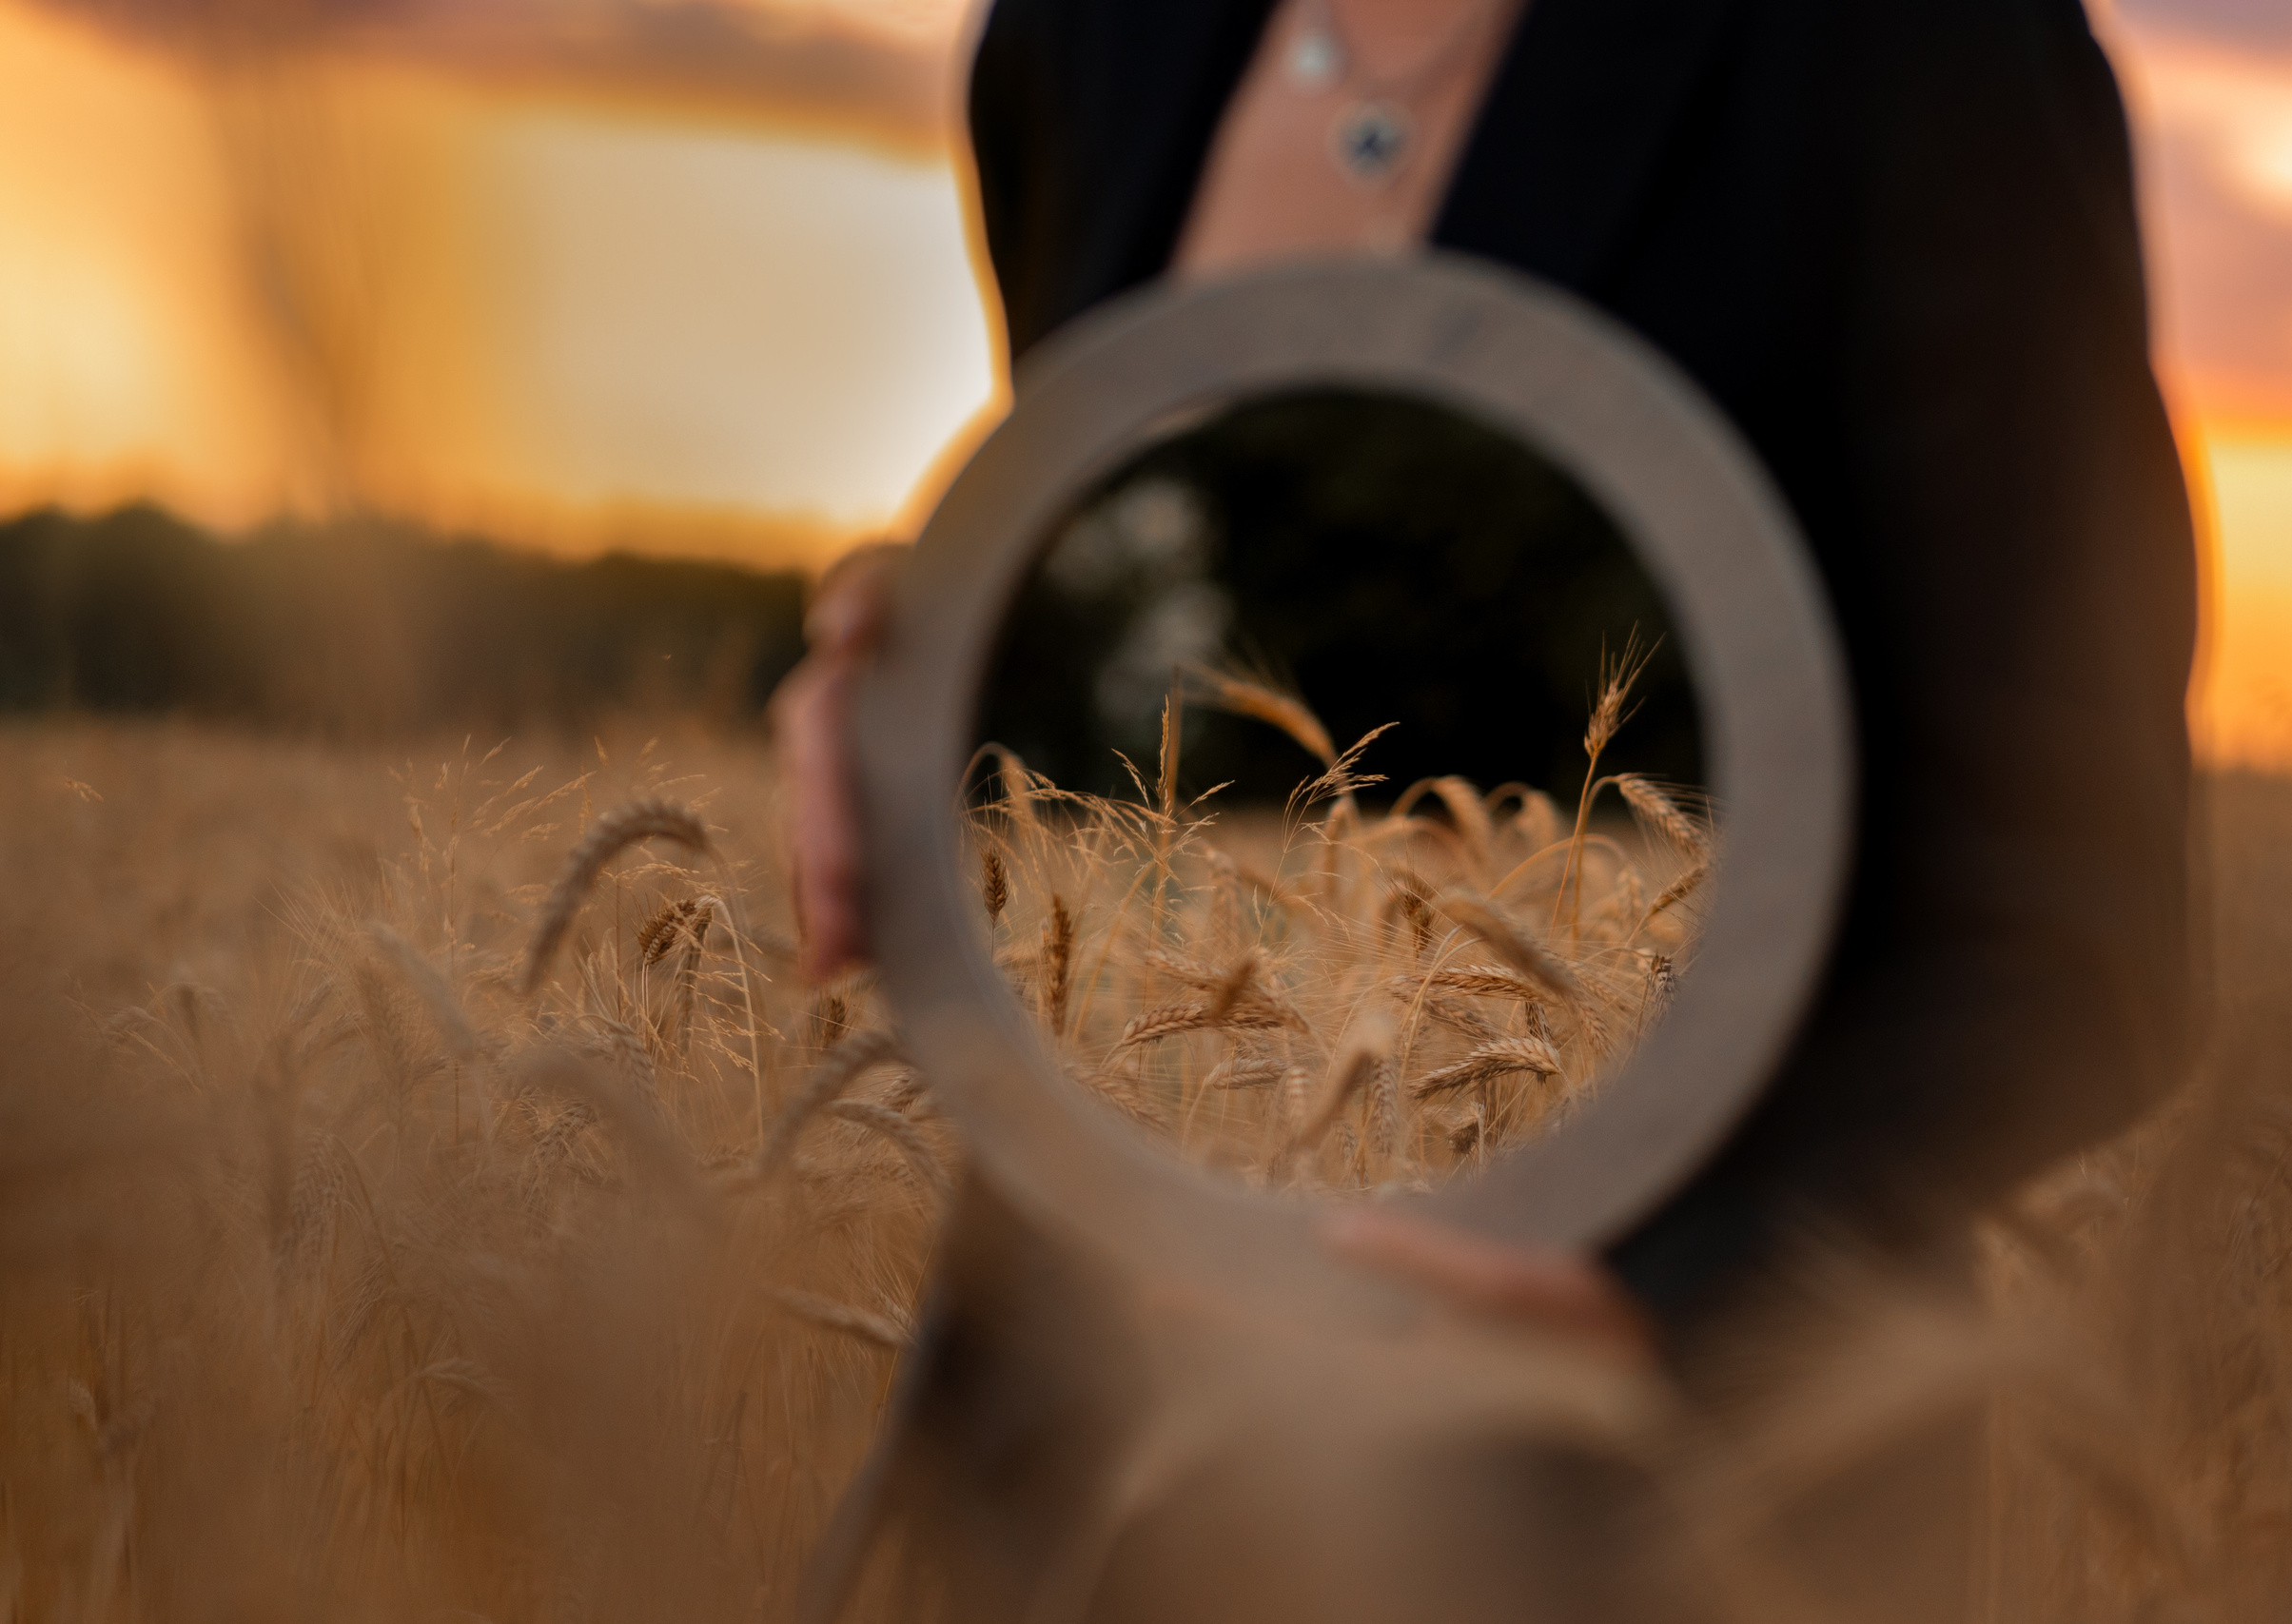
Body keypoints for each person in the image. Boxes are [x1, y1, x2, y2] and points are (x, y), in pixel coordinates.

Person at [779, 0, 2194, 1390]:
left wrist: (1667, 1305)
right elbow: (1118, 605)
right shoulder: (1080, 37)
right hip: (1089, 1408)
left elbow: (2079, 934)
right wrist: (922, 693)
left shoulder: (1926, 48)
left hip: (1667, 1499)